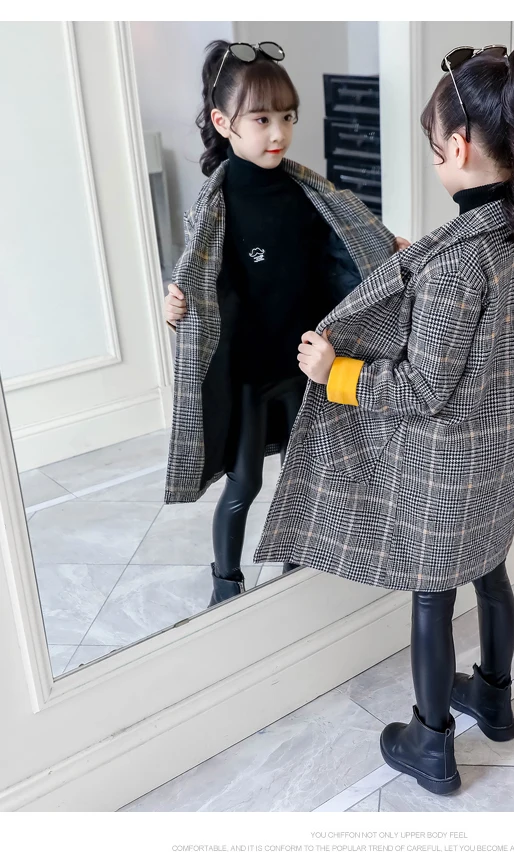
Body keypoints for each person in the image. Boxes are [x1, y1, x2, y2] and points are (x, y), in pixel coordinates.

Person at [255, 42, 514, 794]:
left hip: (445, 462)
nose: (436, 161)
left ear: (459, 147)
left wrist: (332, 372)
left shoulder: (458, 264)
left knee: (433, 594)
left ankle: (431, 744)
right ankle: (493, 699)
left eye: (435, 149)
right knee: (491, 569)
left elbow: (422, 389)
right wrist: (425, 273)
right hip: (506, 452)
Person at [163, 40, 406, 608]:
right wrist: (177, 307)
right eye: (262, 119)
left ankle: (299, 565)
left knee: (309, 473)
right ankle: (226, 582)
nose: (279, 133)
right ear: (223, 123)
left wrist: (386, 248)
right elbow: (199, 280)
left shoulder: (307, 192)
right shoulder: (215, 207)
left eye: (288, 117)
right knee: (244, 482)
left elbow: (347, 242)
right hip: (251, 373)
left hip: (305, 364)